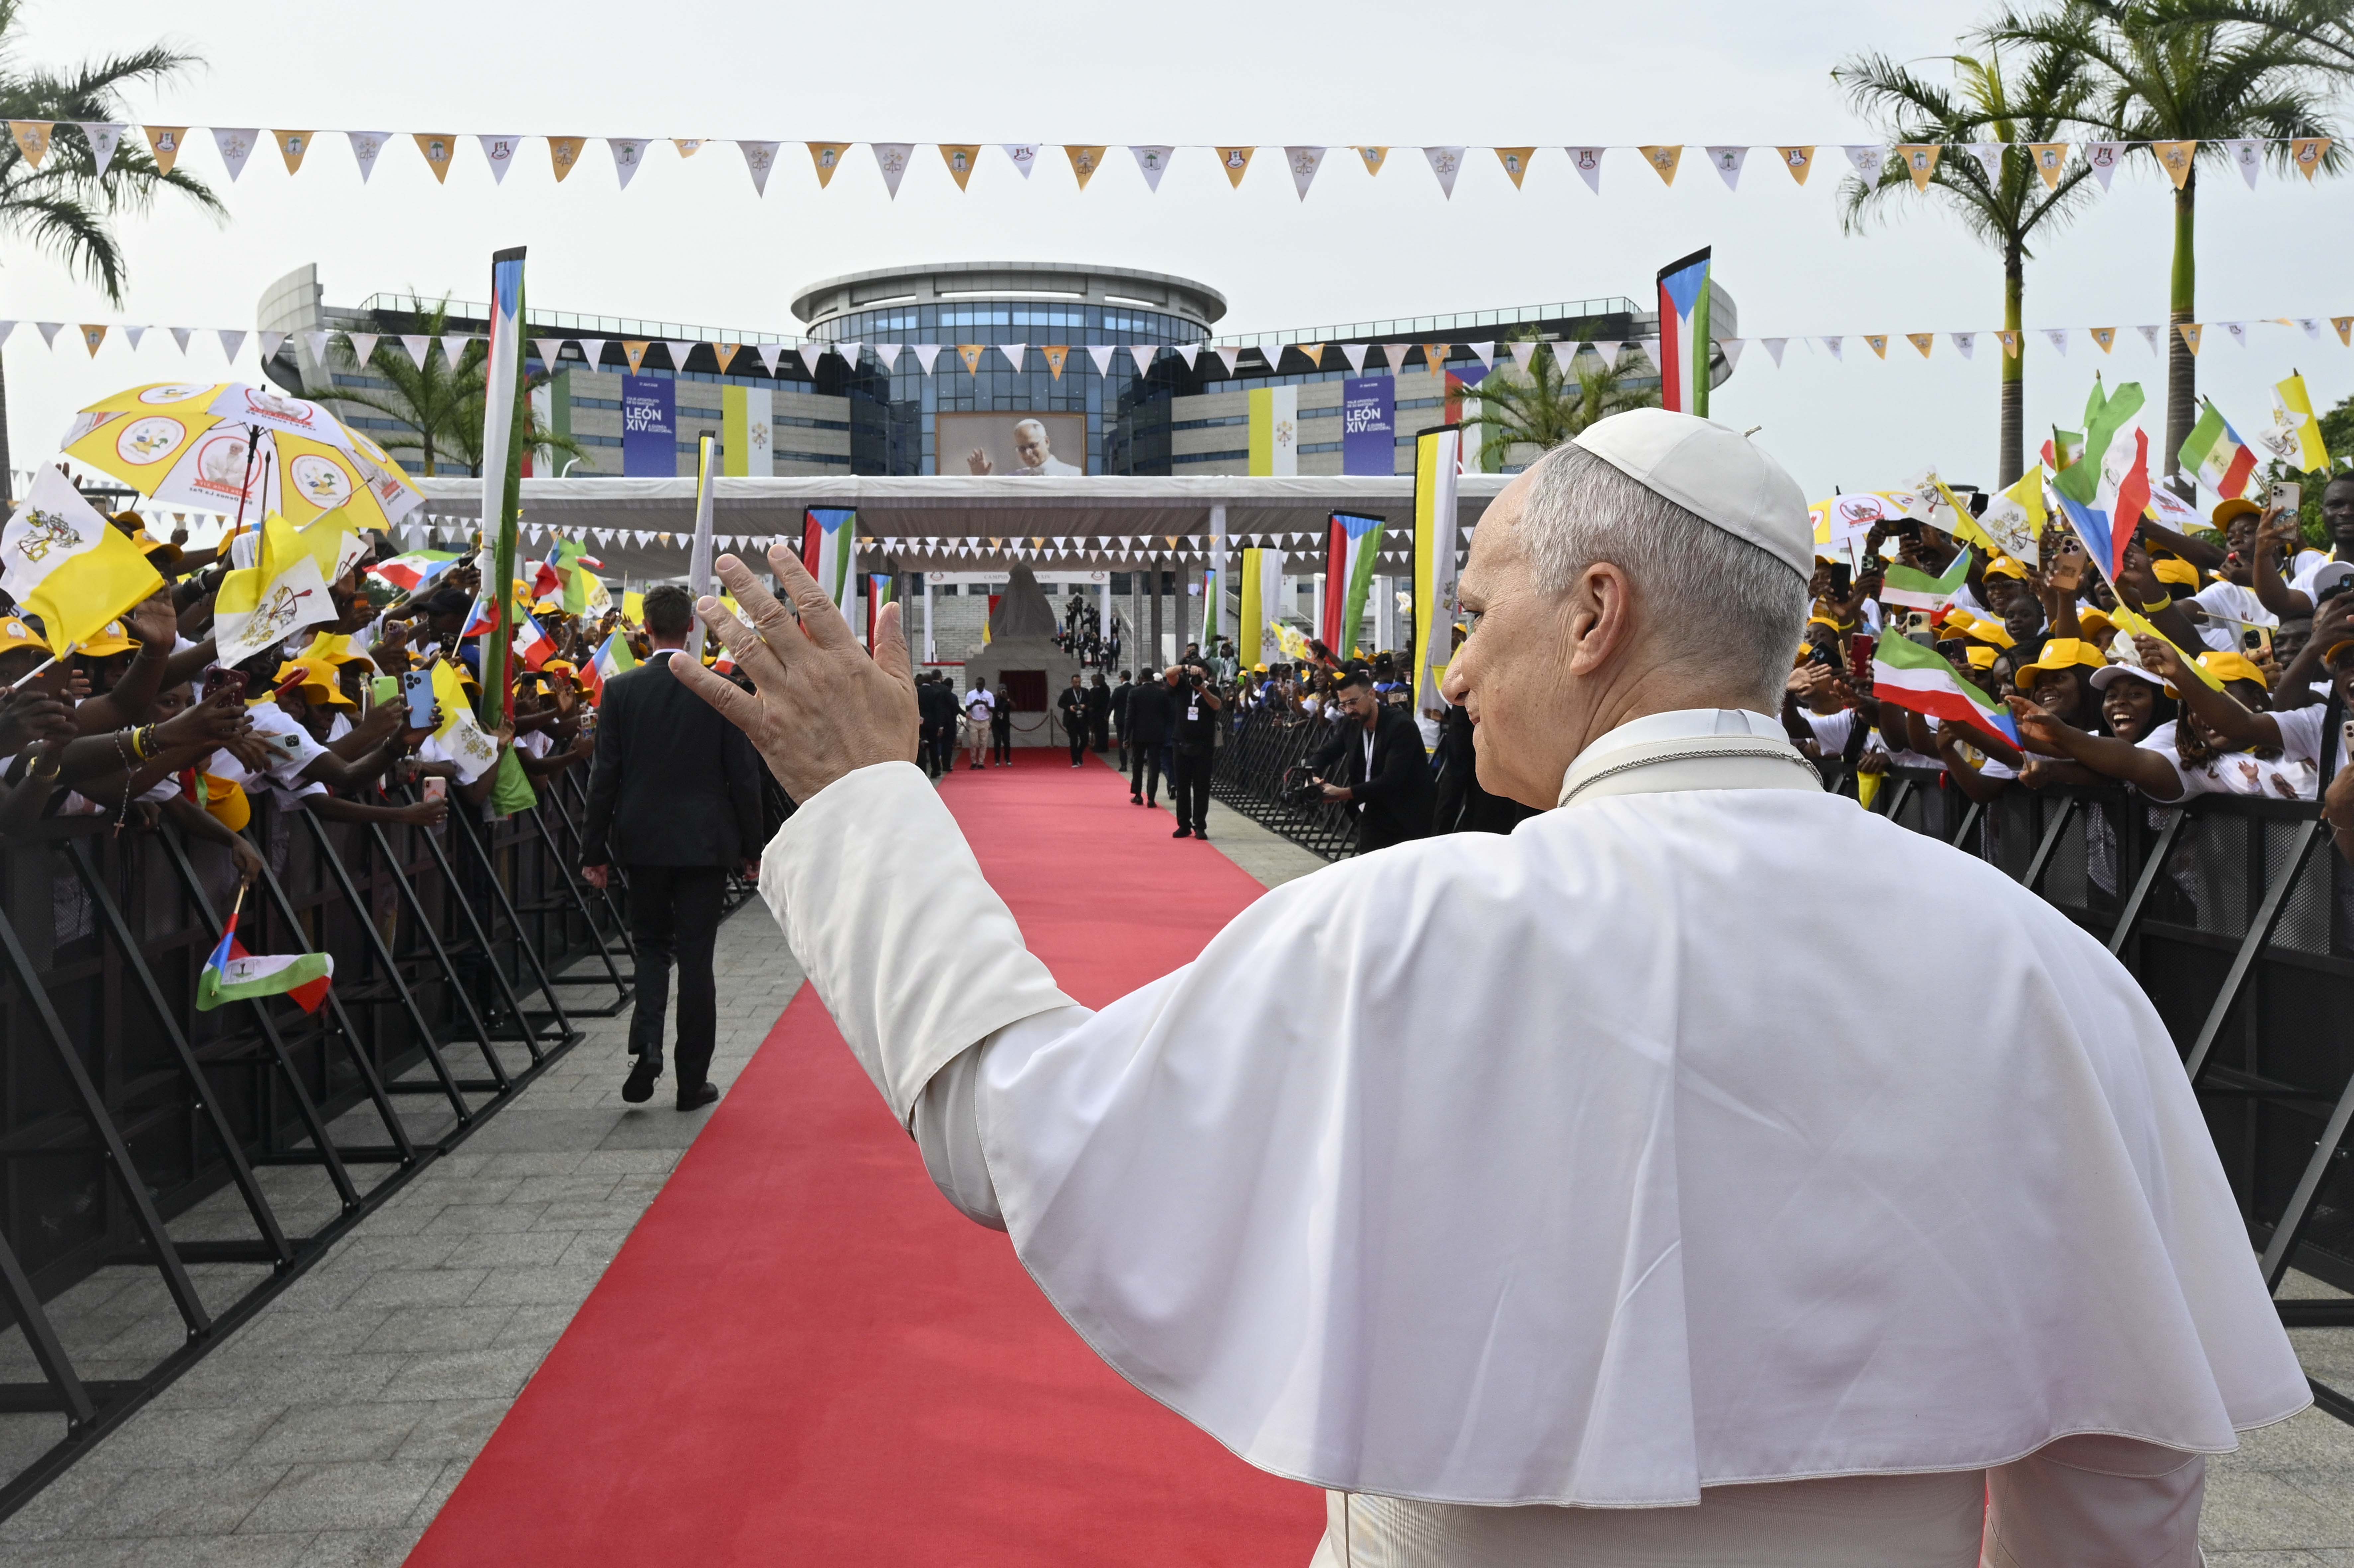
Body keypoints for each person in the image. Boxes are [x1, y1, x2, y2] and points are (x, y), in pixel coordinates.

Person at [673, 407, 2303, 1567]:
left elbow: (1015, 1129)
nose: (1446, 673)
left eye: (1470, 617)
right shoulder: (2050, 977)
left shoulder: (1398, 931)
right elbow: (2118, 1478)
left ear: (1598, 613)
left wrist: (867, 799)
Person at [579, 584, 764, 1112]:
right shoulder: (720, 687)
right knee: (696, 957)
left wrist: (594, 851)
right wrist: (754, 847)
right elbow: (742, 777)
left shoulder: (621, 691)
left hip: (642, 840)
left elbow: (604, 778)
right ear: (691, 628)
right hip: (706, 841)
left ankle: (647, 1048)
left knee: (652, 948)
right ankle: (691, 1081)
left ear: (645, 628)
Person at [1308, 667, 1435, 854]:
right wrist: (1310, 771)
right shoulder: (1351, 724)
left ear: (1372, 694)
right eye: (1344, 705)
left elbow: (1392, 780)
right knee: (1370, 871)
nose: (1350, 710)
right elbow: (1327, 752)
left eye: (1353, 702)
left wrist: (1344, 793)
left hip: (1408, 815)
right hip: (1372, 811)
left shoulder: (1400, 725)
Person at [1166, 662, 1221, 840]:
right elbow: (1169, 673)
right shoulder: (1182, 685)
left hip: (1204, 745)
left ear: (1207, 674)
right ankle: (1184, 825)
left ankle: (1200, 826)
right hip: (1181, 743)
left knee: (1202, 788)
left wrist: (1203, 689)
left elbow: (1217, 705)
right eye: (1197, 671)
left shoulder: (1212, 689)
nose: (1199, 675)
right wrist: (1186, 668)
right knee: (1182, 787)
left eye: (1202, 672)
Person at [964, 418, 1082, 477]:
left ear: (1046, 442)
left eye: (1032, 446)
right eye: (1022, 449)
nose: (1027, 454)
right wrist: (980, 479)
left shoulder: (1075, 475)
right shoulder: (1013, 479)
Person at [1124, 666, 1171, 806]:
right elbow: (1168, 715)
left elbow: (1129, 716)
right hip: (1157, 734)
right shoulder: (1162, 694)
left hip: (1139, 734)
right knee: (1154, 766)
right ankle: (1151, 798)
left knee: (1137, 764)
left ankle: (1138, 795)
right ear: (1152, 678)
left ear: (1142, 678)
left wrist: (1127, 736)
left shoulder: (1134, 693)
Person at [915, 671, 959, 779]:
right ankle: (936, 770)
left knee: (920, 747)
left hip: (920, 723)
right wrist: (941, 726)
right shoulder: (936, 693)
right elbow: (938, 710)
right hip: (932, 723)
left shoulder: (917, 692)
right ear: (931, 682)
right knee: (934, 746)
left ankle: (922, 770)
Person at [1055, 674, 1089, 768]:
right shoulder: (1067, 692)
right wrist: (1069, 708)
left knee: (1085, 740)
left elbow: (1091, 703)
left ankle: (1079, 754)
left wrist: (1084, 706)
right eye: (1076, 682)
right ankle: (1074, 761)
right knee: (1074, 741)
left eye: (1079, 682)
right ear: (1072, 683)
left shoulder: (1085, 692)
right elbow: (1060, 704)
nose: (1078, 684)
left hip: (1083, 720)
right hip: (1071, 720)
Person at [960, 677, 993, 771]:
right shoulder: (971, 694)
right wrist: (974, 704)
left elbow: (993, 709)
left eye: (980, 685)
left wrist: (986, 705)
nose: (978, 686)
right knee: (973, 742)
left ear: (984, 685)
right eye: (977, 684)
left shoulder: (989, 695)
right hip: (974, 721)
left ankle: (981, 762)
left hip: (985, 721)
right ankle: (974, 762)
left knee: (984, 743)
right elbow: (967, 708)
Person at [1109, 670, 1134, 768]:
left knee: (1121, 742)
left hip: (1120, 719)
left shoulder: (1118, 690)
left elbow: (1112, 704)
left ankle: (1124, 764)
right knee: (1133, 741)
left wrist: (1107, 715)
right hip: (1133, 719)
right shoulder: (1135, 689)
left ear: (1123, 678)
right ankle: (1134, 760)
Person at [990, 682, 1014, 765]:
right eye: (1001, 689)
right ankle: (997, 760)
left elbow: (1014, 706)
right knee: (997, 742)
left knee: (1007, 742)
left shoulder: (1008, 699)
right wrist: (997, 696)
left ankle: (1007, 759)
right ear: (998, 691)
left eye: (1004, 690)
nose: (1003, 691)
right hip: (996, 724)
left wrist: (1007, 698)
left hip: (1006, 724)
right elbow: (991, 708)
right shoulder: (994, 698)